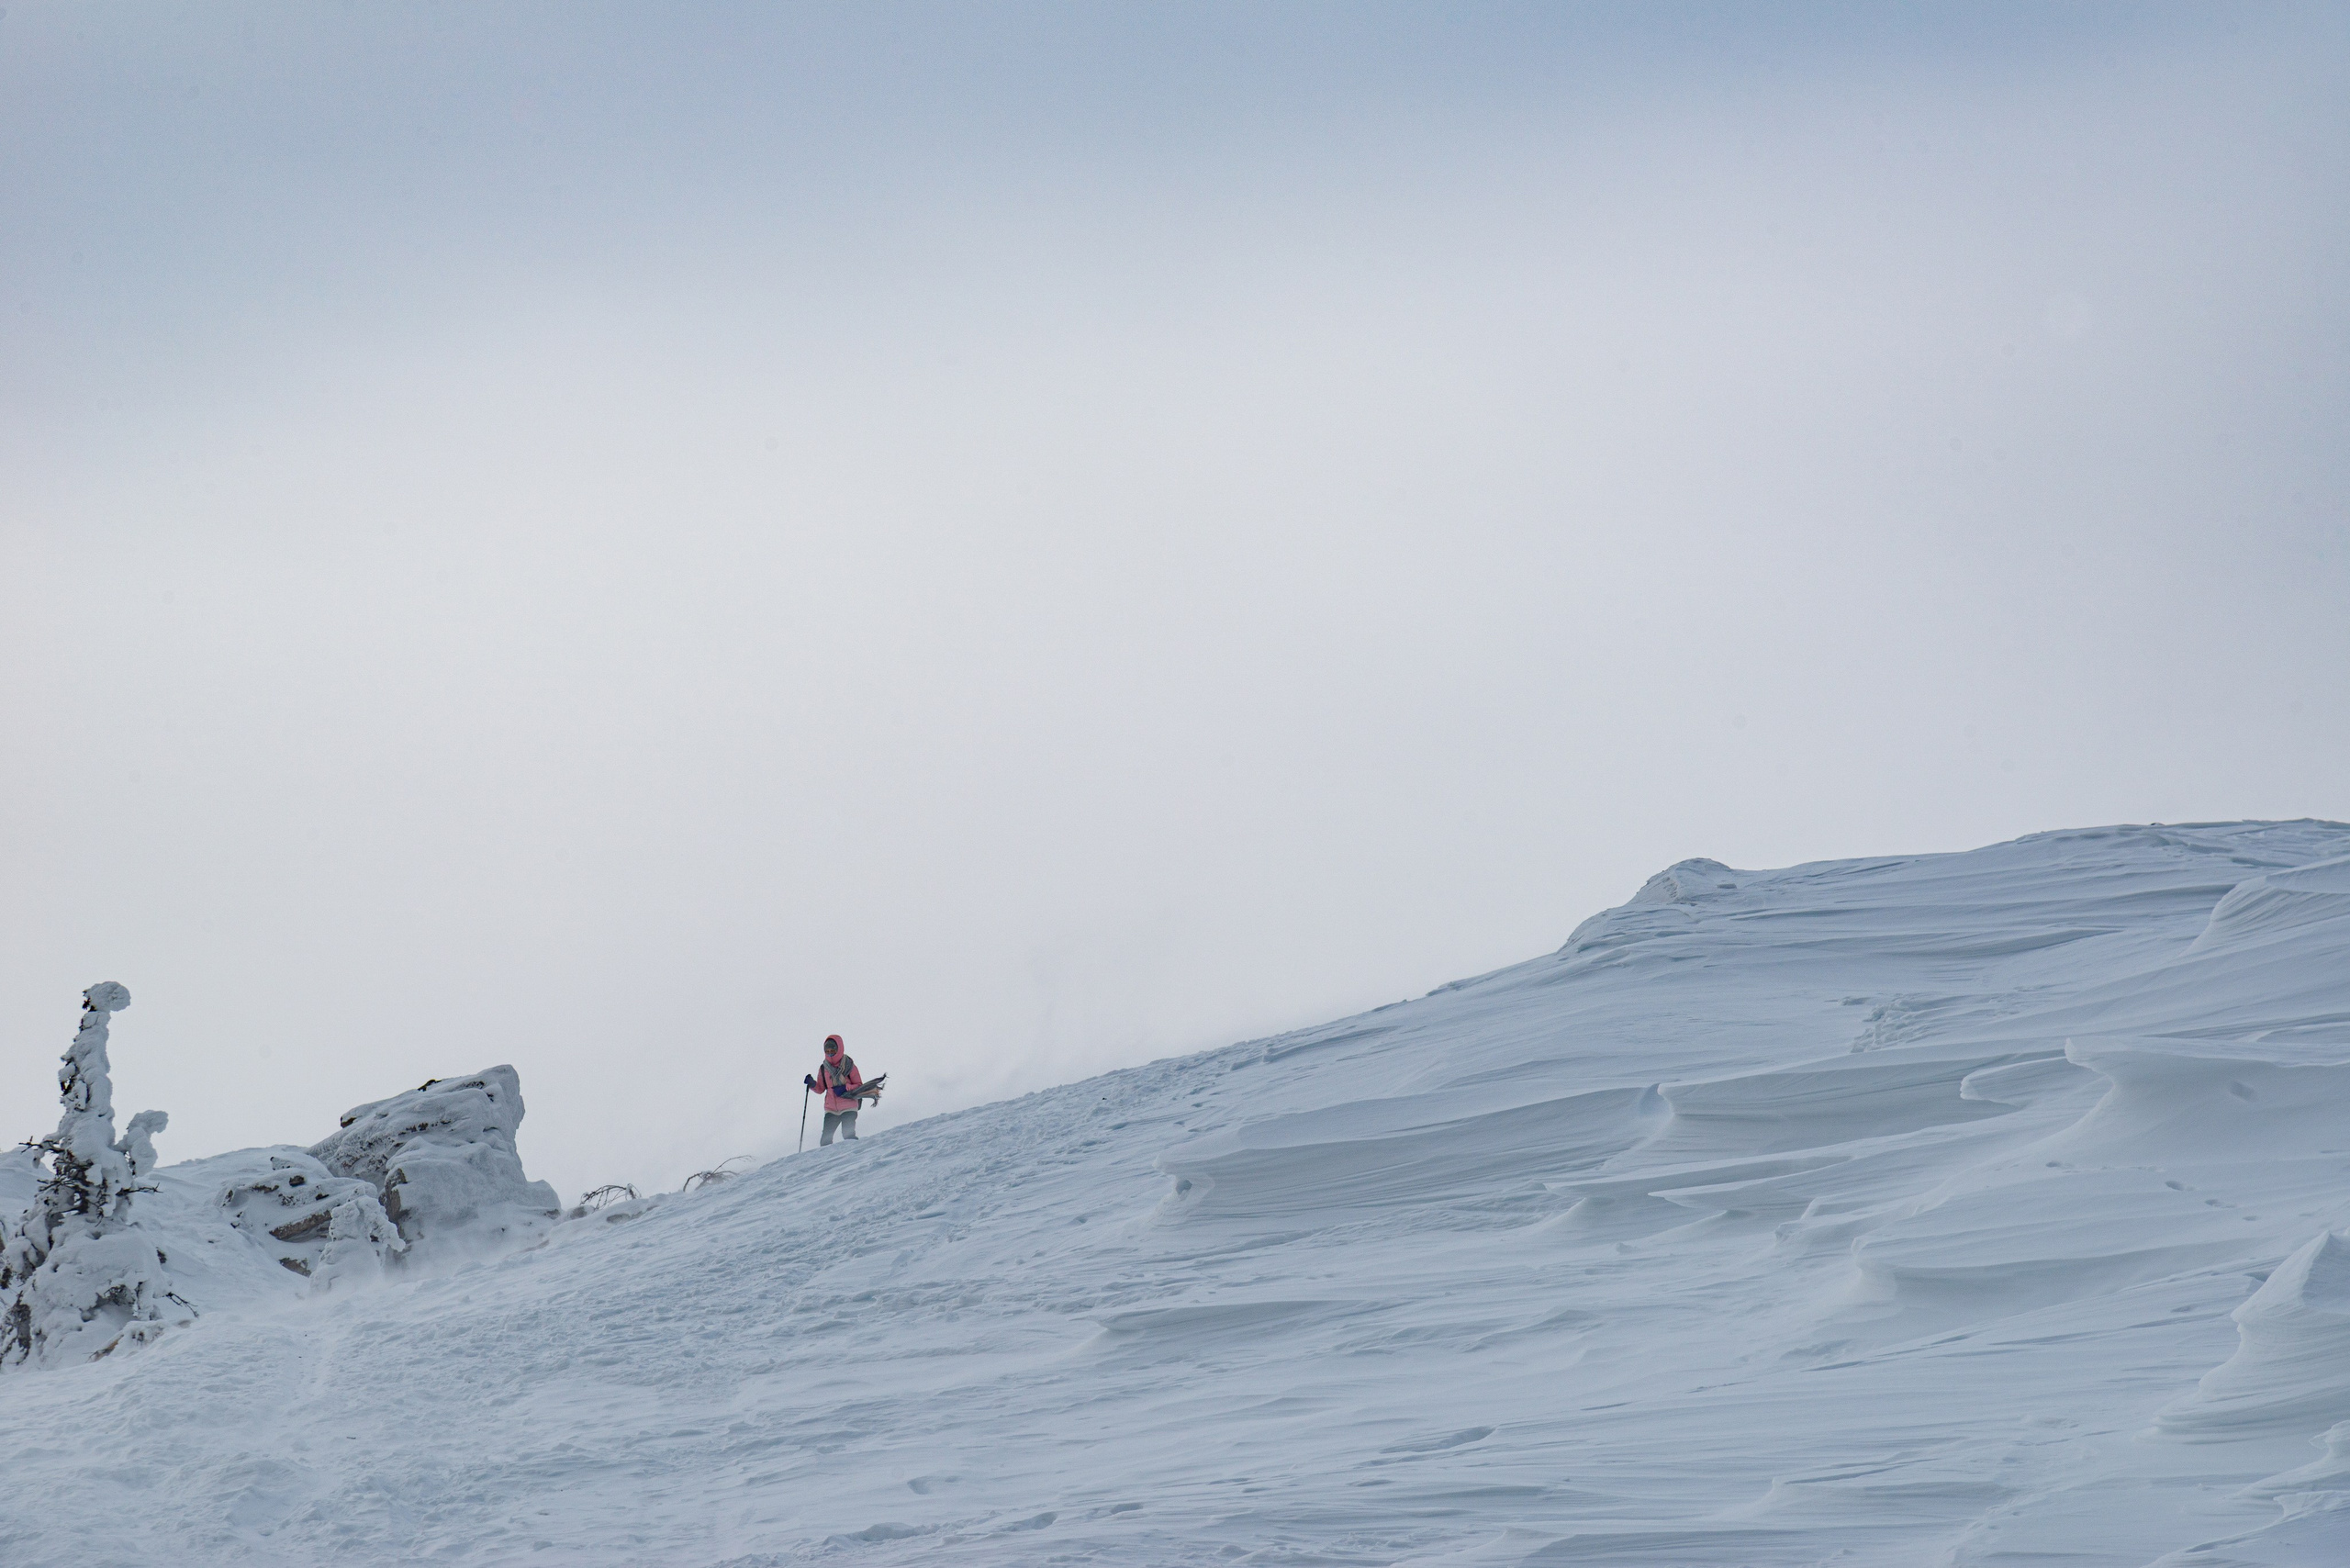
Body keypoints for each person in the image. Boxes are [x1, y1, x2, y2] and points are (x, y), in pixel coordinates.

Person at [804, 1034, 874, 1145]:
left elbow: (859, 1086)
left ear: (839, 1049)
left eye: (833, 1050)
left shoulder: (849, 1065)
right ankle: (829, 1157)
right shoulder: (823, 1068)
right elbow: (820, 1089)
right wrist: (812, 1084)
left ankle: (857, 1154)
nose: (830, 1053)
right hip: (831, 1109)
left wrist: (845, 1088)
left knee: (848, 1135)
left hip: (849, 1107)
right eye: (827, 1051)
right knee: (825, 1141)